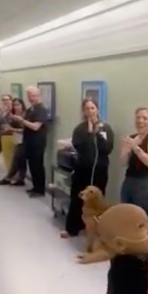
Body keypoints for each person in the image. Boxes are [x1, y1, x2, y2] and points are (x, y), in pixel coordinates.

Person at [60, 98, 114, 238]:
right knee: (77, 197)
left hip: (99, 170)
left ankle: (97, 231)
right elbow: (78, 146)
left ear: (97, 109)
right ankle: (72, 228)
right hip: (82, 169)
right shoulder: (80, 129)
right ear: (83, 111)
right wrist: (89, 133)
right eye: (87, 109)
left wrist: (96, 134)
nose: (90, 111)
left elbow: (107, 148)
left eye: (92, 108)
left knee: (98, 200)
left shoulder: (105, 128)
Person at [120, 107, 148, 216]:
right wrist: (127, 149)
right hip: (129, 182)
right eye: (138, 118)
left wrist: (136, 148)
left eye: (145, 118)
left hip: (145, 184)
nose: (141, 121)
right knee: (126, 218)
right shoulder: (130, 138)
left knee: (140, 220)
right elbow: (123, 162)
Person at [18, 86, 50, 197]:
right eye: (29, 96)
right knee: (32, 165)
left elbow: (36, 127)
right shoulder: (31, 109)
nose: (31, 98)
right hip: (29, 142)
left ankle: (40, 190)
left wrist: (22, 120)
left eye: (34, 95)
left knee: (37, 166)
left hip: (37, 143)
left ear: (38, 96)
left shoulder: (41, 109)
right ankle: (35, 187)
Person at [0, 98, 28, 186]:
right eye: (15, 105)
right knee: (21, 161)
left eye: (18, 105)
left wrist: (11, 129)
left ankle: (8, 178)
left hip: (23, 140)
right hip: (16, 139)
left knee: (16, 159)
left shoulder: (25, 115)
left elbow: (24, 130)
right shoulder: (13, 114)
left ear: (22, 105)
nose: (16, 107)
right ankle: (21, 179)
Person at [0, 94, 17, 170]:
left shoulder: (14, 110)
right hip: (4, 135)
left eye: (7, 99)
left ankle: (14, 173)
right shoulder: (3, 111)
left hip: (12, 135)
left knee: (13, 156)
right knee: (6, 156)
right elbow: (0, 122)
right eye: (3, 100)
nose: (5, 101)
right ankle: (9, 172)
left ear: (11, 100)